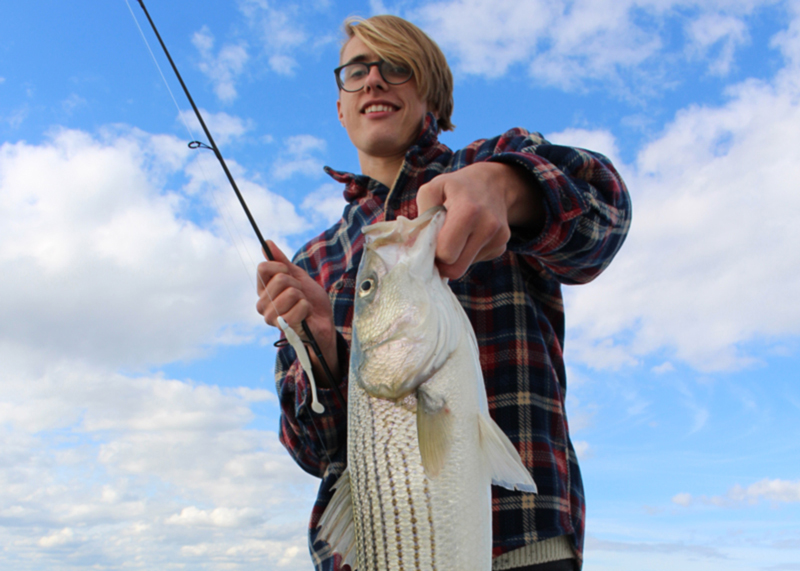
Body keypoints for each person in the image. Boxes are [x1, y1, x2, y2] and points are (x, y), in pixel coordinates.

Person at [256, 14, 631, 571]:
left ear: (432, 93)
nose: (374, 81)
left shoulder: (493, 164)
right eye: (357, 71)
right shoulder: (314, 261)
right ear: (340, 104)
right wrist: (323, 354)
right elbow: (313, 451)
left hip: (524, 546)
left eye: (396, 67)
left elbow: (605, 218)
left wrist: (508, 186)